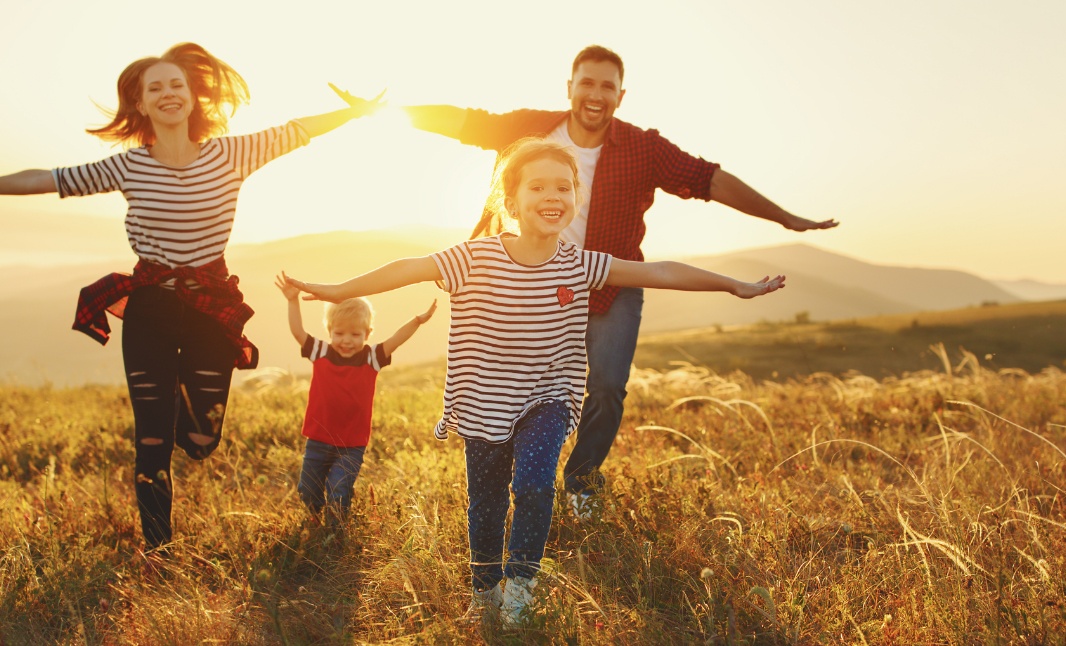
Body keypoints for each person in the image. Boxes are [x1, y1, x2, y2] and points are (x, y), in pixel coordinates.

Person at [286, 138, 785, 623]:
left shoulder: (580, 264)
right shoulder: (473, 257)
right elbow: (408, 269)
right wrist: (336, 290)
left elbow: (659, 271)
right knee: (484, 503)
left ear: (575, 198)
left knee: (534, 482)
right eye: (538, 187)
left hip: (549, 398)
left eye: (564, 188)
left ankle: (521, 586)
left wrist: (731, 284)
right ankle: (485, 590)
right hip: (482, 401)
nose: (553, 197)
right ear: (511, 202)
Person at [336, 44, 835, 513]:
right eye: (587, 84)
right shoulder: (530, 129)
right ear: (570, 86)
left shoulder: (643, 147)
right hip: (522, 280)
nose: (596, 95)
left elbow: (709, 179)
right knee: (513, 382)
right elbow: (462, 122)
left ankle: (580, 482)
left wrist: (785, 218)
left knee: (608, 386)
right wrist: (376, 111)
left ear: (621, 95)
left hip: (609, 280)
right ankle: (512, 473)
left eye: (607, 87)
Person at [0, 43, 379, 550]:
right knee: (151, 440)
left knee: (201, 441)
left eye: (176, 84)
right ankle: (159, 549)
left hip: (209, 308)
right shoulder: (128, 166)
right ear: (140, 105)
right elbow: (47, 179)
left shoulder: (231, 153)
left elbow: (297, 131)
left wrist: (355, 112)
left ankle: (175, 399)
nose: (167, 93)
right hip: (151, 307)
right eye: (154, 87)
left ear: (193, 96)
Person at [275, 273, 435, 523]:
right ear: (329, 331)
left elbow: (396, 340)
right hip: (317, 440)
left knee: (339, 490)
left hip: (351, 445)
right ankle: (315, 524)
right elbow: (298, 332)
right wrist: (292, 301)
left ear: (367, 334)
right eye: (339, 333)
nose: (346, 341)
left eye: (354, 335)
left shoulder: (371, 358)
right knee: (307, 491)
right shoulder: (321, 352)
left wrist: (417, 320)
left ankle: (335, 532)